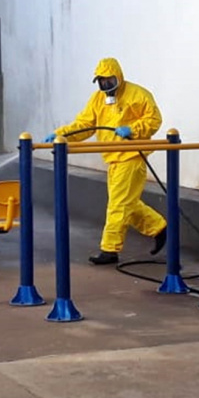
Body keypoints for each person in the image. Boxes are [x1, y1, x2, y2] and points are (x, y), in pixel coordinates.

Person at [45, 57, 167, 265]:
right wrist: (61, 135)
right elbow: (84, 125)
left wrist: (133, 129)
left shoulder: (138, 95)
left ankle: (110, 250)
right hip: (113, 159)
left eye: (109, 81)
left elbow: (154, 119)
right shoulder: (97, 100)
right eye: (102, 82)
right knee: (127, 203)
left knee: (118, 205)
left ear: (118, 77)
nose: (106, 86)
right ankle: (160, 228)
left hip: (131, 157)